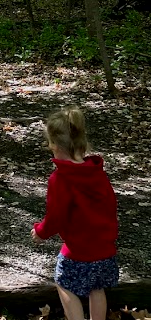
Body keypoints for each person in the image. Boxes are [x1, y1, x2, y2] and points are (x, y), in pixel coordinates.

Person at [32, 105, 118, 320]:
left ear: (54, 144)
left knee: (63, 282)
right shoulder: (97, 172)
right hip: (105, 248)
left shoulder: (60, 179)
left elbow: (56, 216)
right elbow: (110, 204)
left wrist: (41, 232)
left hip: (79, 250)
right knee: (97, 288)